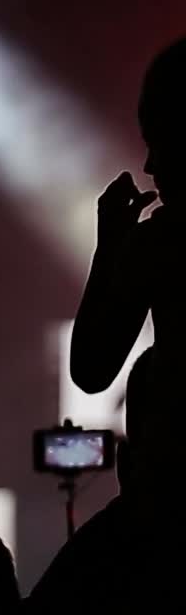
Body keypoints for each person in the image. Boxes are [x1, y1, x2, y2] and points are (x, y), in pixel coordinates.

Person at [72, 39, 186, 394]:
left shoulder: (162, 243)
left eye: (159, 144)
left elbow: (91, 369)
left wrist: (109, 249)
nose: (149, 165)